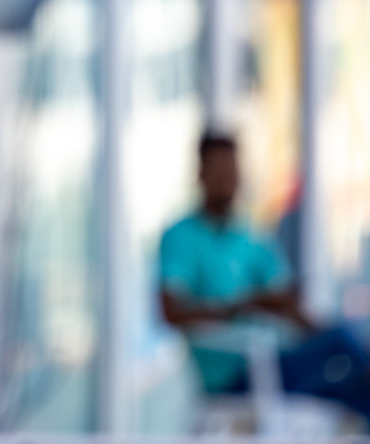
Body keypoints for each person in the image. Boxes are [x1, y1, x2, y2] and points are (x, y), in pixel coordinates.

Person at [158, 130, 370, 424]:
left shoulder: (250, 235)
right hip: (237, 375)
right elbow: (171, 311)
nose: (227, 179)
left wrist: (316, 329)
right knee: (344, 349)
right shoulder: (181, 237)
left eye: (232, 170)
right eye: (219, 169)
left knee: (355, 383)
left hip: (279, 362)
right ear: (200, 173)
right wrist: (245, 306)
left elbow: (282, 298)